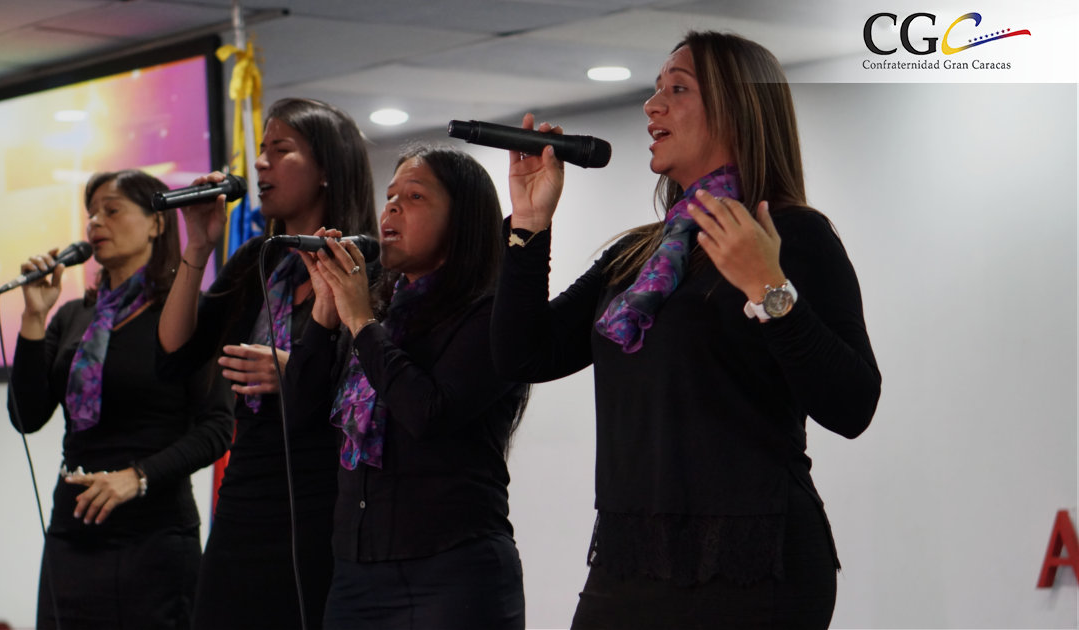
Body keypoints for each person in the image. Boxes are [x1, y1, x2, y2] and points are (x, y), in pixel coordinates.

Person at [492, 31, 882, 628]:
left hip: (754, 562)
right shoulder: (637, 255)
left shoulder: (792, 236)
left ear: (737, 107)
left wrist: (769, 289)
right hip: (633, 555)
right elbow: (524, 354)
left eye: (678, 89)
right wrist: (529, 224)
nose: (653, 106)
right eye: (656, 90)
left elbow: (853, 405)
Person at [156, 97, 378, 629]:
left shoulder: (364, 264)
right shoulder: (260, 259)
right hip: (245, 496)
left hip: (321, 500)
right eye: (261, 150)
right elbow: (174, 356)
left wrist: (293, 371)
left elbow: (374, 385)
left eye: (280, 150)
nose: (260, 163)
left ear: (326, 169)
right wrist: (199, 246)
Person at [289, 145, 528, 629]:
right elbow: (297, 418)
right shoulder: (378, 312)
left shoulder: (492, 313)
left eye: (414, 196)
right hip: (356, 572)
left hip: (451, 571)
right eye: (390, 196)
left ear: (462, 219)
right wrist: (326, 312)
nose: (392, 208)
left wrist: (360, 320)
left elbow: (428, 412)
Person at [7, 169, 234, 630]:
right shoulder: (73, 317)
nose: (95, 223)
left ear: (156, 223)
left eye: (111, 210)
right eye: (91, 214)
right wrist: (33, 318)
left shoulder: (185, 312)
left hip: (153, 534)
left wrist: (138, 477)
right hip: (73, 531)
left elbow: (217, 427)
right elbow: (26, 416)